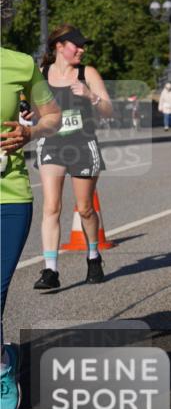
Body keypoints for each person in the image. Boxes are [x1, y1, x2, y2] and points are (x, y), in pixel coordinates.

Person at [1, 0, 62, 409]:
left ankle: (3, 364)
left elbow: (53, 116)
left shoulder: (20, 64)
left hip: (9, 196)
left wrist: (29, 132)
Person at [33, 25, 114, 290]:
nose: (82, 49)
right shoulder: (41, 75)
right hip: (52, 144)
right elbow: (36, 112)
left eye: (82, 45)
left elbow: (108, 111)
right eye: (76, 45)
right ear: (59, 46)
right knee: (51, 206)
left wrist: (90, 95)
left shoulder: (87, 72)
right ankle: (50, 270)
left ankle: (93, 256)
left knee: (85, 208)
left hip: (82, 144)